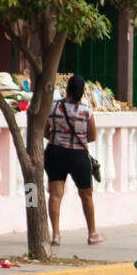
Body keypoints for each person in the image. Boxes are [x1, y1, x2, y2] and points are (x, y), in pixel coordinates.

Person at [45, 74, 103, 246]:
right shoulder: (86, 111)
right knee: (86, 194)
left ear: (68, 89)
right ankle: (92, 233)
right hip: (78, 155)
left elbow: (45, 132)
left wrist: (59, 138)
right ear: (82, 91)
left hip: (55, 153)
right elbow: (92, 136)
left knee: (55, 194)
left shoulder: (54, 107)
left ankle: (55, 235)